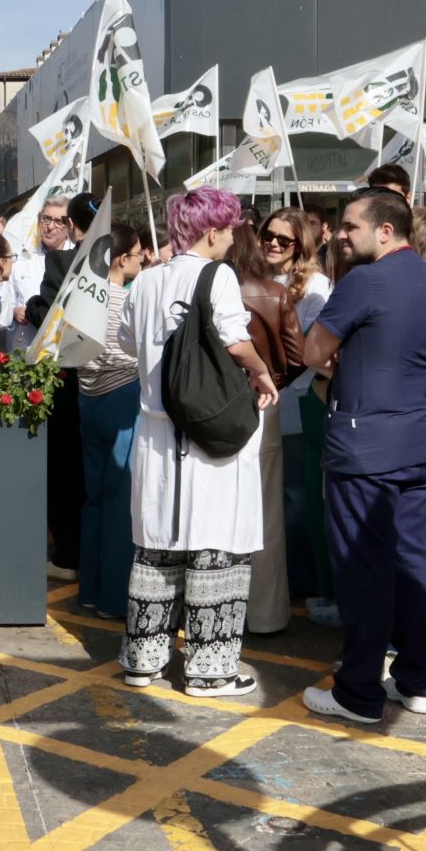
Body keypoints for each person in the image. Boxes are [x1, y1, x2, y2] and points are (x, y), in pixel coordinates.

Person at [296, 188, 426, 725]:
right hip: (420, 440)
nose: (340, 235)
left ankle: (358, 692)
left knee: (363, 569)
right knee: (416, 562)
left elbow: (313, 351)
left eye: (350, 226)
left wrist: (341, 360)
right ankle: (418, 680)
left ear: (386, 231)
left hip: (366, 443)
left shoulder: (363, 280)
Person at [115, 188, 277, 697]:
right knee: (214, 541)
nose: (232, 238)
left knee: (158, 544)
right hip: (208, 429)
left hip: (156, 430)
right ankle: (210, 669)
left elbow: (126, 340)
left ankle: (144, 659)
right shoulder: (217, 275)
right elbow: (234, 339)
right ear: (212, 231)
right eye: (228, 229)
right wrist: (261, 371)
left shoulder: (147, 279)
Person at [226, 224, 305, 635]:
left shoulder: (207, 290)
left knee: (217, 512)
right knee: (266, 512)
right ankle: (266, 615)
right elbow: (297, 357)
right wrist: (272, 382)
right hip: (263, 404)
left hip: (213, 406)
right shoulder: (273, 293)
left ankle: (216, 609)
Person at [260, 207, 336, 625]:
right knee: (272, 496)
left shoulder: (316, 287)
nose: (273, 244)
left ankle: (300, 580)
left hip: (296, 401)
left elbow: (310, 352)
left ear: (300, 245)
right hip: (259, 402)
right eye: (267, 236)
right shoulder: (257, 278)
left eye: (283, 240)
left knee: (295, 497)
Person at [76, 223, 150, 619]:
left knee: (94, 499)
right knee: (120, 500)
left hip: (87, 397)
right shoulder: (127, 300)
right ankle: (114, 599)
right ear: (121, 260)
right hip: (122, 396)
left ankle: (90, 588)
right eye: (138, 255)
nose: (142, 260)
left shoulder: (82, 298)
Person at [28, 192, 97, 583]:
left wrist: (33, 306)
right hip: (115, 383)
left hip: (70, 381)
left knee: (67, 471)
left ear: (71, 225)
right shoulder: (117, 260)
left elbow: (51, 319)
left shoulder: (61, 263)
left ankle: (69, 554)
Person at [2, 198, 67, 353]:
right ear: (38, 220)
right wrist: (14, 311)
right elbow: (6, 300)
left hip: (63, 349)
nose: (50, 227)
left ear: (69, 225)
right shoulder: (21, 258)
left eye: (58, 221)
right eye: (46, 219)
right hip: (26, 347)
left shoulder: (77, 259)